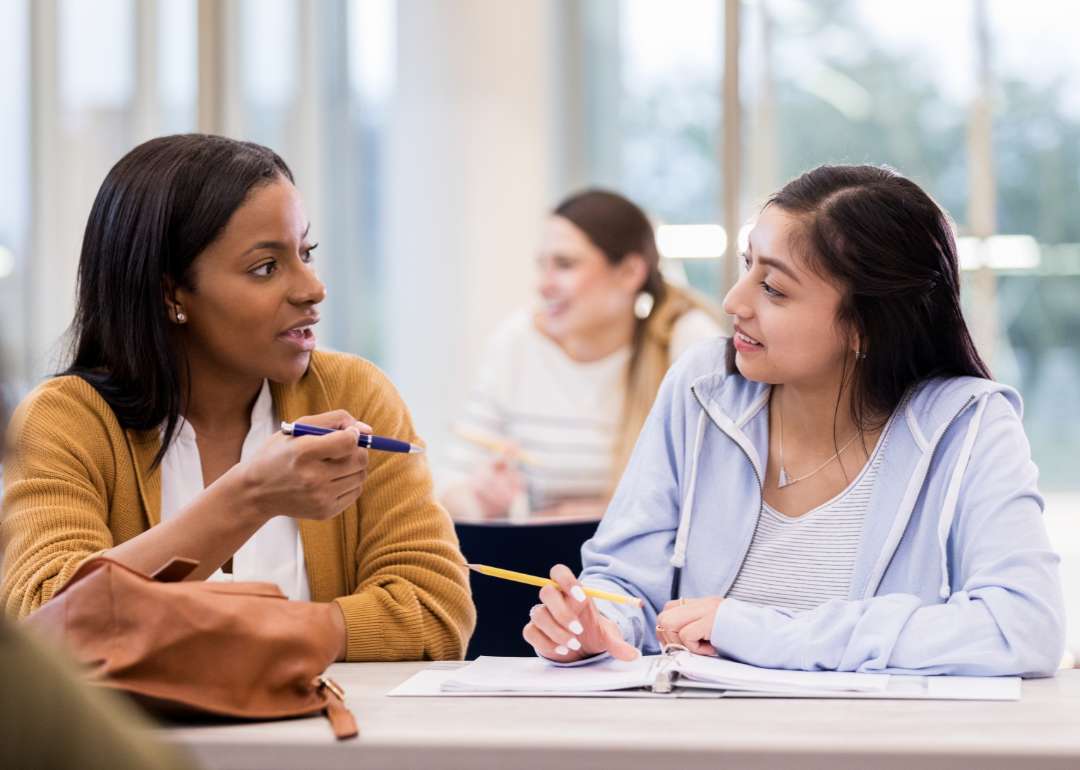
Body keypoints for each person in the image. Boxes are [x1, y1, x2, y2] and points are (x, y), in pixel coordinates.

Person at [523, 165, 1066, 677]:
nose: (734, 301)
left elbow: (1024, 626)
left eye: (774, 289)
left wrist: (764, 633)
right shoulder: (702, 388)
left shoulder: (968, 425)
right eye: (746, 265)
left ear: (866, 328)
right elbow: (623, 584)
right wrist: (596, 625)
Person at [1, 134, 474, 662]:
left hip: (327, 741)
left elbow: (436, 611)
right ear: (171, 294)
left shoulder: (354, 393)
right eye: (266, 268)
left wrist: (249, 630)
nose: (312, 288)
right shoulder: (65, 418)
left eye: (306, 254)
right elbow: (43, 628)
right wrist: (248, 497)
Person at [440, 189, 723, 523]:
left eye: (565, 264)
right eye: (541, 265)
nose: (543, 286)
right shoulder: (516, 341)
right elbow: (450, 484)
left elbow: (723, 493)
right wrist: (483, 502)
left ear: (631, 272)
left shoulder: (686, 342)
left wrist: (606, 518)